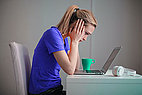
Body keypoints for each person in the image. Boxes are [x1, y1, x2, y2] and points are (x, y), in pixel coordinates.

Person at [29, 5, 97, 95]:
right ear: (77, 25)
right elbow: (70, 70)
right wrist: (75, 42)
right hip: (44, 91)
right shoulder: (52, 35)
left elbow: (75, 68)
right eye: (86, 33)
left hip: (54, 89)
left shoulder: (63, 39)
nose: (85, 38)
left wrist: (75, 41)